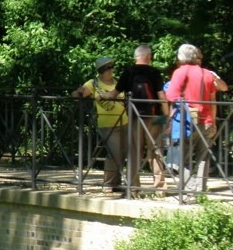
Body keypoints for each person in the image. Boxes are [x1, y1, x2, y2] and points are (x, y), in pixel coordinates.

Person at [100, 44, 169, 194]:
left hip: (134, 117)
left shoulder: (128, 72)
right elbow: (161, 96)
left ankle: (133, 187)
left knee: (134, 151)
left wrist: (102, 96)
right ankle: (159, 188)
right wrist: (167, 116)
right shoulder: (154, 72)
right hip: (154, 117)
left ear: (136, 57)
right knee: (156, 150)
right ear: (148, 56)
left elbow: (114, 94)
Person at [165, 44, 221, 193]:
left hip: (187, 122)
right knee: (203, 158)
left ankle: (190, 192)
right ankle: (201, 191)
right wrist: (213, 122)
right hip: (207, 120)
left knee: (184, 159)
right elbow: (213, 100)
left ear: (181, 57)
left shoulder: (179, 72)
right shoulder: (207, 74)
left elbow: (170, 96)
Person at [72, 57, 128, 194]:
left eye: (111, 67)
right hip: (107, 123)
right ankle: (108, 183)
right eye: (108, 67)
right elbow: (76, 94)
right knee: (114, 152)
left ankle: (117, 183)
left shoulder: (118, 82)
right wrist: (78, 93)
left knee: (122, 153)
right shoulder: (94, 83)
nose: (111, 70)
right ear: (101, 70)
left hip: (124, 121)